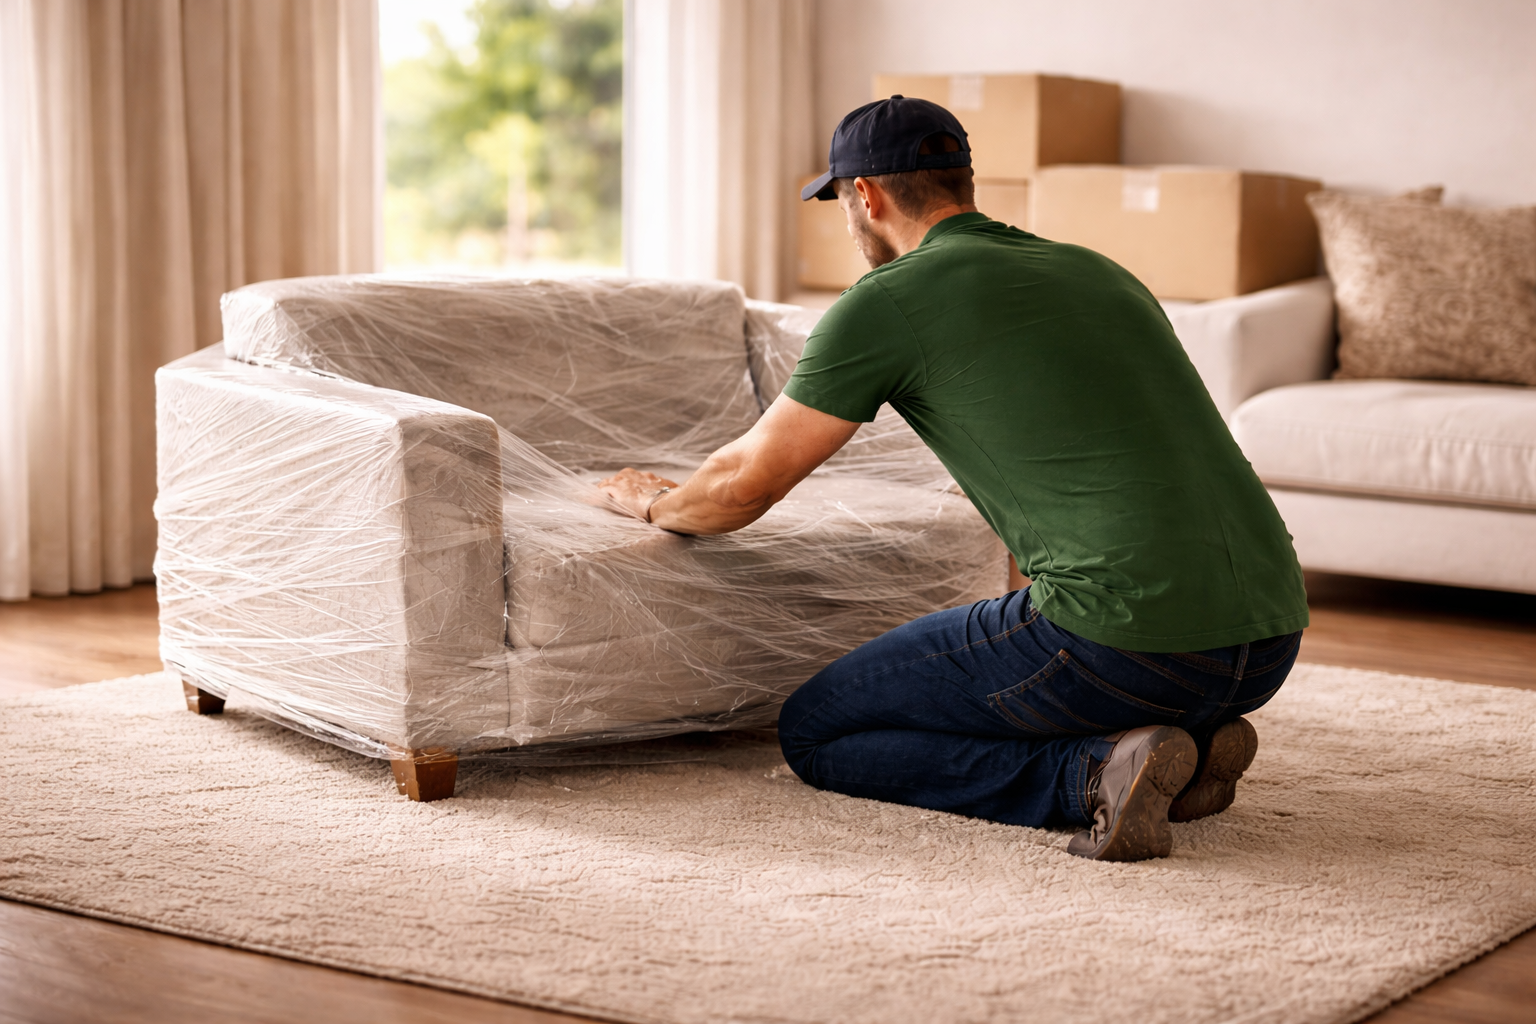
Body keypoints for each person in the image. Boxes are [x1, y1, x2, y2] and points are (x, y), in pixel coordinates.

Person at [597, 96, 1308, 862]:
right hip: (1269, 635)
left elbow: (744, 485)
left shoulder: (891, 298)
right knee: (1025, 659)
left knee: (818, 729)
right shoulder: (1098, 271)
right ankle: (1188, 748)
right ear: (964, 181)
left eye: (841, 200)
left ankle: (1091, 775)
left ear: (864, 195)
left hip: (1126, 645)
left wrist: (656, 503)